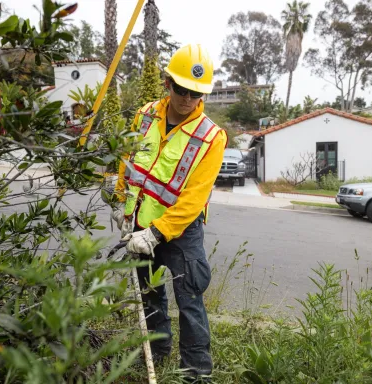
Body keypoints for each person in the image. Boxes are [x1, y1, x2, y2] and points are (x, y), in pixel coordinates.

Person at [110, 43, 227, 382]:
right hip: (139, 223)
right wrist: (122, 200)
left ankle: (196, 372)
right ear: (167, 83)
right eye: (181, 89)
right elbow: (128, 160)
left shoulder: (211, 137)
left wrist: (157, 233)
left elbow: (193, 198)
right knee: (150, 295)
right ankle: (158, 352)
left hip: (180, 232)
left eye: (196, 92)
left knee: (189, 302)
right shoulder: (144, 115)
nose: (188, 98)